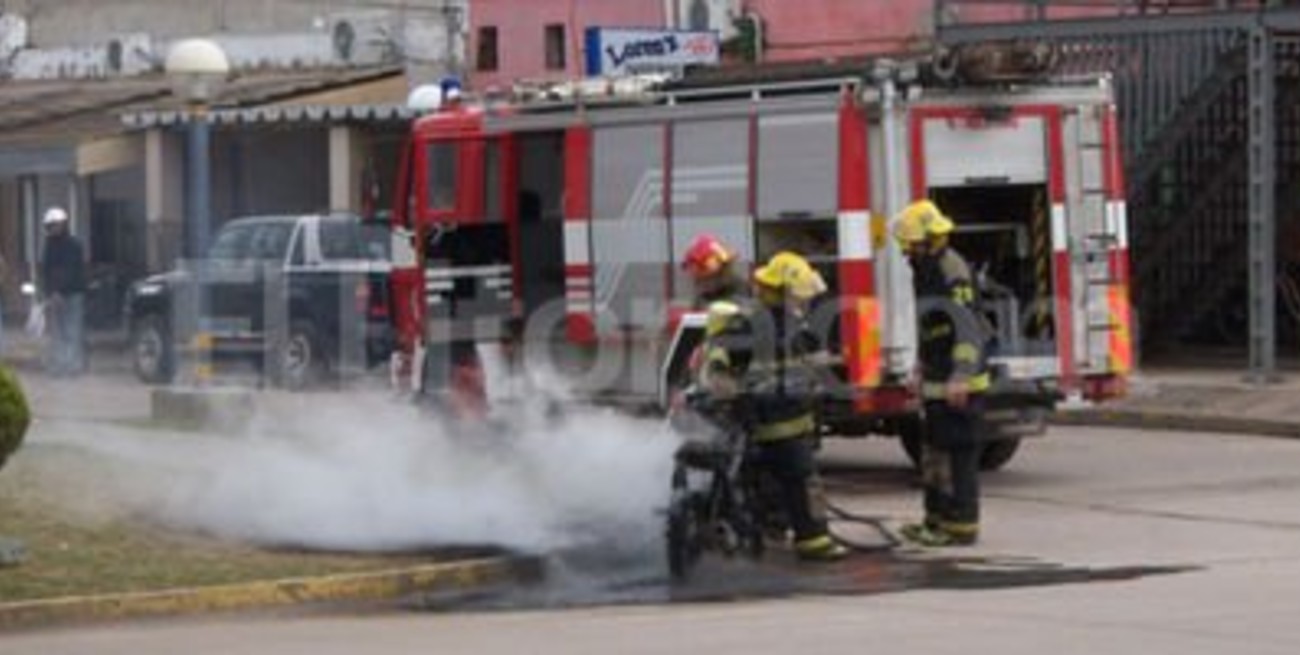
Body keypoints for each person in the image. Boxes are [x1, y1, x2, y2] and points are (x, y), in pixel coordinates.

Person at [697, 251, 847, 562]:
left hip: (791, 422)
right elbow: (721, 357)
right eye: (797, 295)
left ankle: (787, 535)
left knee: (785, 486)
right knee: (796, 483)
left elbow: (811, 362)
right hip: (770, 423)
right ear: (779, 292)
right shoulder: (751, 323)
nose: (803, 302)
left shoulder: (791, 323)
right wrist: (724, 386)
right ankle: (810, 540)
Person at [893, 200, 992, 547]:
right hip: (938, 375)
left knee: (957, 455)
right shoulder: (928, 267)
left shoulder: (951, 270)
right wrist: (921, 365)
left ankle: (960, 526)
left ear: (928, 238)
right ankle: (935, 521)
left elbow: (966, 327)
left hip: (958, 380)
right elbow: (933, 325)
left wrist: (961, 374)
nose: (906, 252)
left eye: (910, 244)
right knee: (934, 453)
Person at [39, 207, 87, 377]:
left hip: (73, 293)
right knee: (58, 331)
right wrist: (49, 292)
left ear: (62, 224)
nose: (51, 228)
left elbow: (71, 270)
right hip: (55, 295)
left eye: (54, 225)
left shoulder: (73, 245)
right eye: (49, 225)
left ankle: (73, 366)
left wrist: (58, 290)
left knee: (72, 330)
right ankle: (60, 365)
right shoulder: (49, 244)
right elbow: (45, 269)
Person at [681, 234, 747, 309]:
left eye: (706, 279)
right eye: (698, 279)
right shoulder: (702, 297)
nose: (700, 283)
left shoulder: (740, 293)